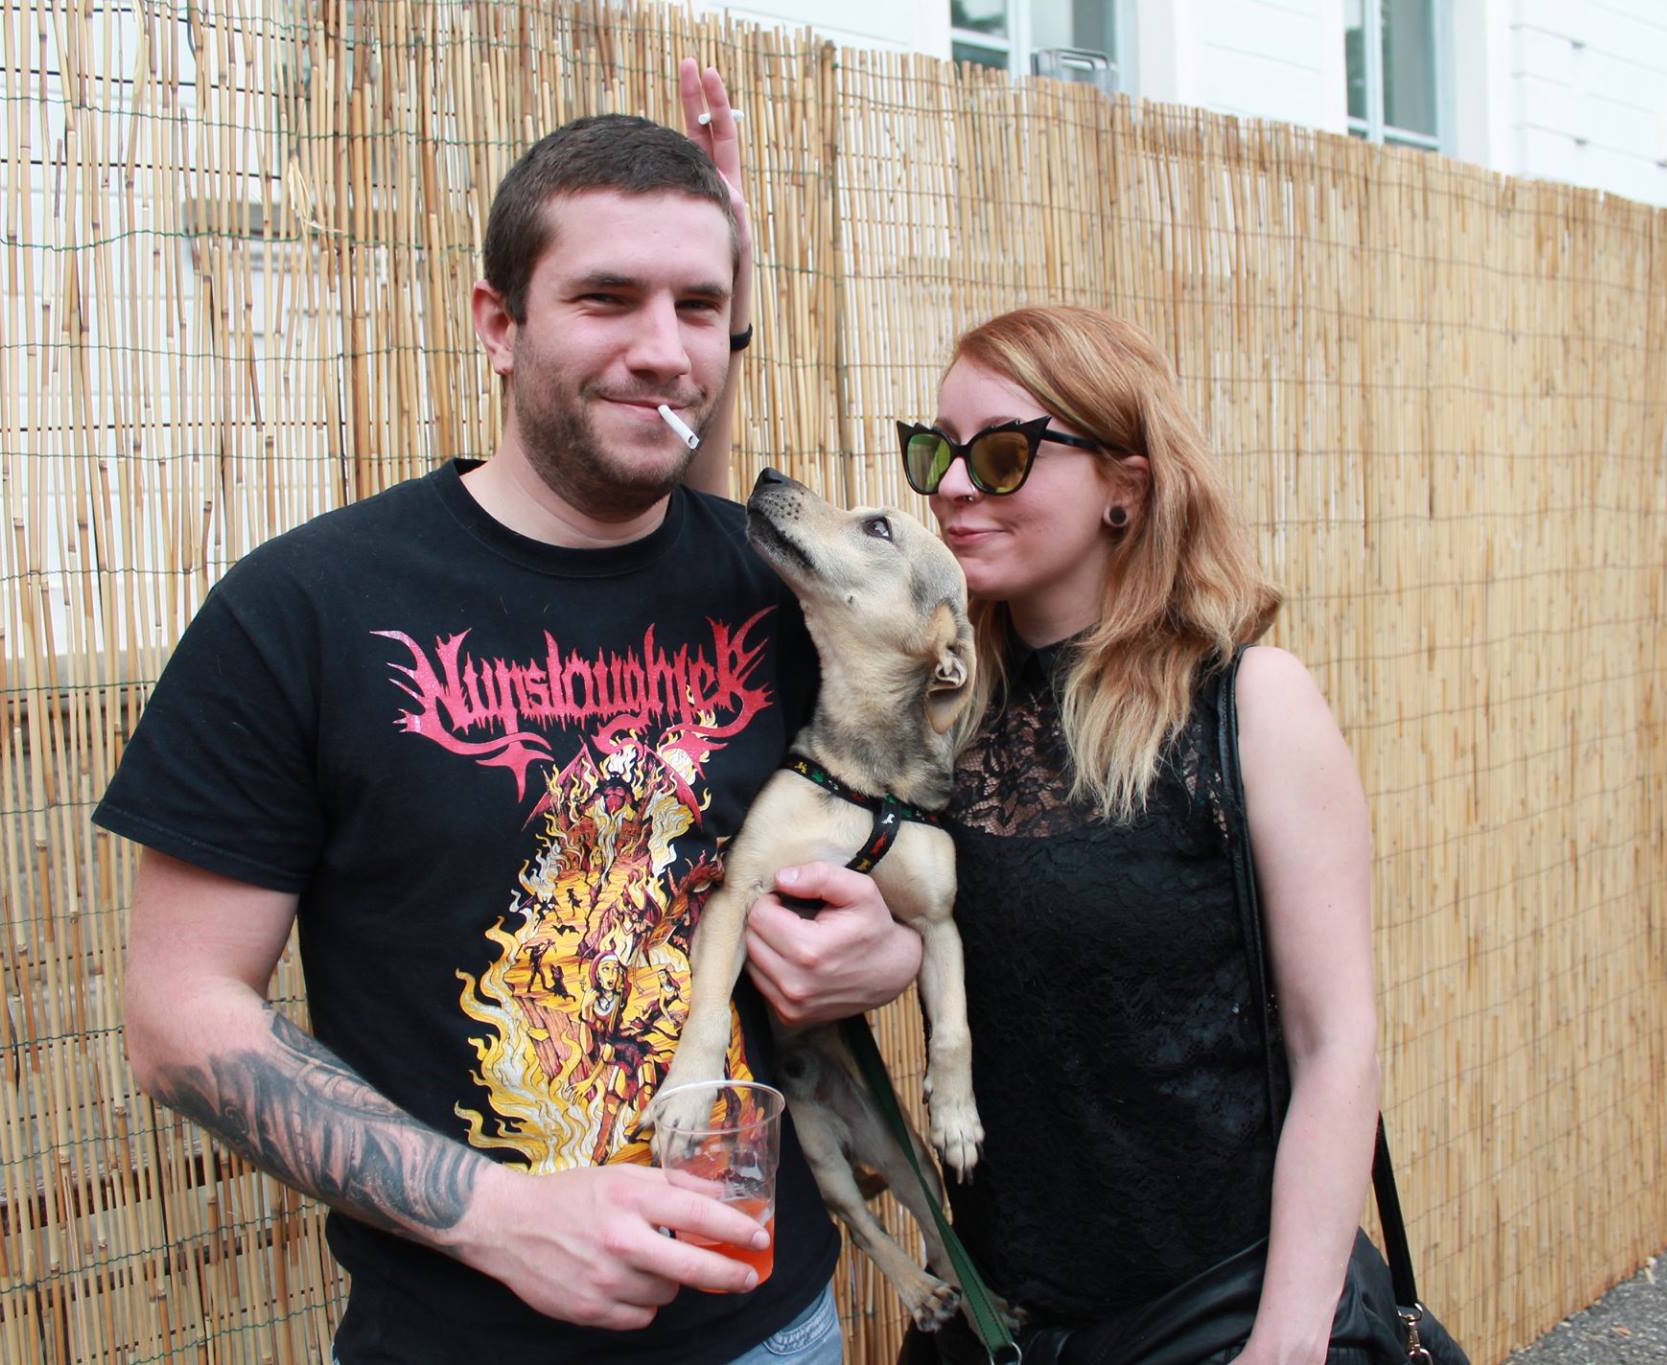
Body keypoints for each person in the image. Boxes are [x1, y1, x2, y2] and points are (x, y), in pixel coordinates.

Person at [97, 62, 920, 1365]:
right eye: (605, 297)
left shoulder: (777, 595)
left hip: (776, 1329)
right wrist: (498, 1218)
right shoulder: (304, 608)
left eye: (698, 305)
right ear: (498, 322)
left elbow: (890, 837)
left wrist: (889, 949)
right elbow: (180, 1010)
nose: (662, 347)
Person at [890, 306, 1383, 1365]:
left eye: (1002, 453)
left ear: (1125, 485)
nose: (954, 486)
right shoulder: (939, 718)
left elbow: (1336, 1041)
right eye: (936, 449)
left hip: (1214, 1317)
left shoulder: (1247, 705)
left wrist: (1286, 1343)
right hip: (998, 1322)